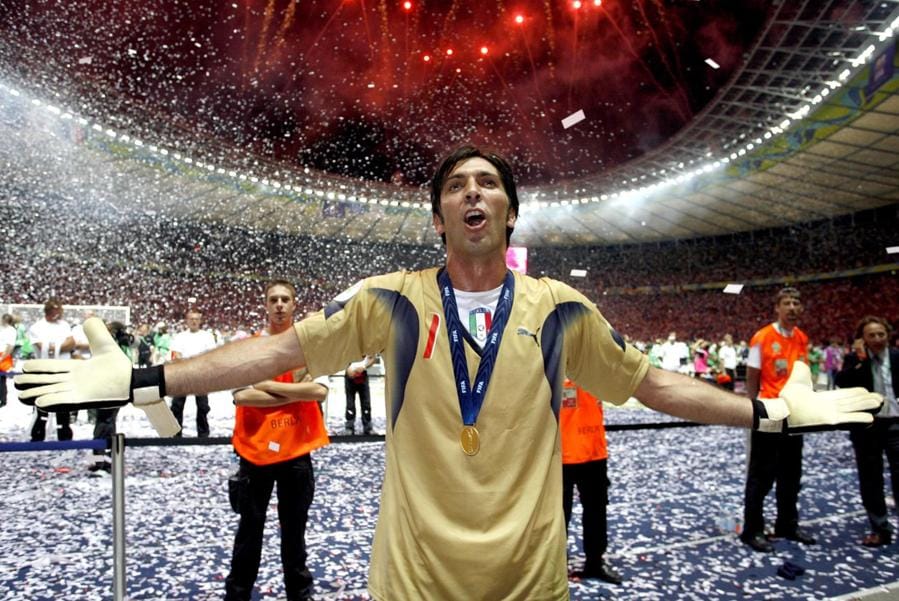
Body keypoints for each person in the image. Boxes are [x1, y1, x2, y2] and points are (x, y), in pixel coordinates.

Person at [15, 145, 881, 601]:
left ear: (508, 211)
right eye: (457, 185)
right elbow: (276, 351)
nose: (474, 192)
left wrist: (764, 411)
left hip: (529, 581)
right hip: (415, 582)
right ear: (437, 215)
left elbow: (655, 387)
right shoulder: (389, 301)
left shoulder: (559, 310)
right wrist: (148, 382)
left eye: (489, 184)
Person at [225, 280, 330, 601]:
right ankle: (237, 594)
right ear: (266, 305)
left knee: (294, 533)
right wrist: (295, 393)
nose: (280, 304)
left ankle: (299, 595)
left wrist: (269, 385)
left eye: (285, 299)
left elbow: (321, 392)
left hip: (296, 453)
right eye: (274, 299)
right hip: (255, 453)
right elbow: (242, 396)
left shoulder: (308, 345)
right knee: (249, 532)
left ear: (294, 304)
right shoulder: (250, 347)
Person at [740, 287, 814, 553]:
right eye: (787, 303)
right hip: (769, 412)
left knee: (791, 474)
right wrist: (754, 408)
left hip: (795, 414)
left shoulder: (802, 338)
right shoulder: (761, 337)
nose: (792, 307)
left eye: (796, 303)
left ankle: (787, 524)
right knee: (761, 475)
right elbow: (752, 375)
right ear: (777, 308)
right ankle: (752, 530)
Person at [836, 316, 899, 547]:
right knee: (871, 480)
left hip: (896, 424)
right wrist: (861, 360)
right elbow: (842, 382)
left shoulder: (896, 357)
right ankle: (881, 529)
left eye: (881, 334)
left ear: (888, 335)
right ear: (863, 339)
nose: (877, 339)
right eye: (871, 335)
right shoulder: (854, 360)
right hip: (867, 427)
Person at [560, 378, 620, 584]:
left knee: (596, 511)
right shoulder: (549, 364)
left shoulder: (595, 368)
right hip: (560, 454)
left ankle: (595, 563)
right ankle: (557, 566)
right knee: (558, 515)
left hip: (594, 452)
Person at [26, 298, 75, 441]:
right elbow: (42, 347)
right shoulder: (37, 327)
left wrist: (55, 346)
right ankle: (38, 433)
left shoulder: (64, 325)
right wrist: (59, 346)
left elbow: (71, 343)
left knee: (64, 403)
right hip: (44, 370)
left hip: (63, 369)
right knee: (42, 402)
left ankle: (64, 433)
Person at [168, 309, 217, 437]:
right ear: (187, 321)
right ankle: (175, 433)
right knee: (177, 406)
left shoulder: (207, 336)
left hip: (201, 375)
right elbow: (176, 354)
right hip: (183, 374)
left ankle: (203, 433)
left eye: (196, 319)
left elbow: (210, 355)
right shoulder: (180, 337)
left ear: (200, 321)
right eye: (191, 319)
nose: (194, 321)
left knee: (202, 406)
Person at [344, 355, 376, 434]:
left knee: (366, 403)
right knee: (350, 404)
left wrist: (364, 366)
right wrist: (347, 369)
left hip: (363, 376)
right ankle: (349, 426)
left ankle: (368, 426)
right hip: (350, 376)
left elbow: (372, 358)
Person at [0, 314, 15, 408]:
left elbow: (10, 346)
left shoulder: (11, 331)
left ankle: (3, 399)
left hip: (4, 354)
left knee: (1, 379)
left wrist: (2, 358)